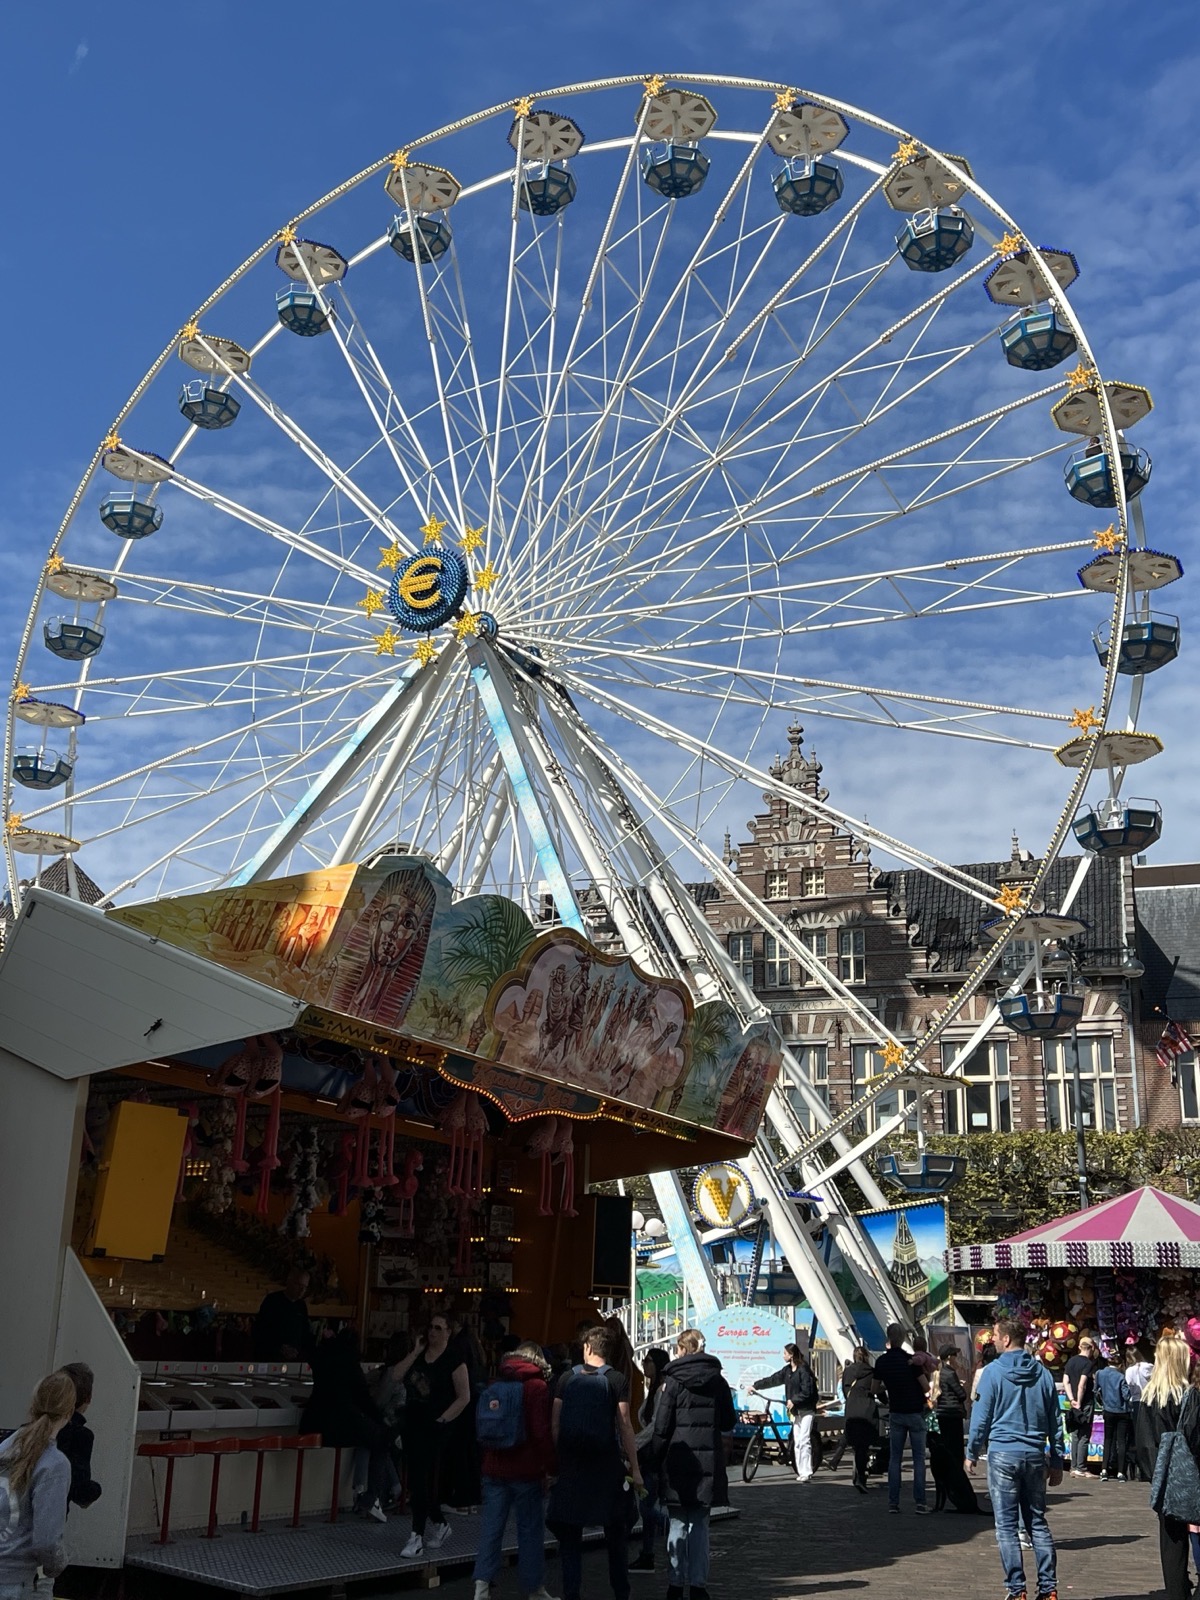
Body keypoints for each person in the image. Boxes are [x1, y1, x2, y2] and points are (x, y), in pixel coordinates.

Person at [966, 1317, 1063, 1600]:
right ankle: (1049, 1588)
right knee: (1037, 1522)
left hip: (1003, 1453)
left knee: (1006, 1527)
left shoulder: (993, 1373)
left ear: (1006, 1339)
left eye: (996, 1335)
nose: (993, 1340)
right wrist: (1057, 1460)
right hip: (1034, 1453)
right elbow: (1055, 1421)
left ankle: (1017, 1589)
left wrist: (971, 1452)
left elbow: (981, 1418)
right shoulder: (1043, 1374)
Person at [547, 1324, 643, 1600]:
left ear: (587, 1348)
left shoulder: (566, 1378)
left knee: (570, 1537)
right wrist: (635, 1468)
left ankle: (571, 1594)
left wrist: (560, 1458)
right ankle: (621, 1592)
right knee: (616, 1534)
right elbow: (624, 1425)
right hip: (606, 1465)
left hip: (573, 1467)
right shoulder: (616, 1380)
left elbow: (555, 1424)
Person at [644, 1329, 736, 1600]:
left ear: (682, 1349)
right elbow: (728, 1421)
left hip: (677, 1459)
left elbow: (662, 1426)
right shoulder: (718, 1380)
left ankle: (675, 1584)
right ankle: (698, 1586)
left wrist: (654, 1458)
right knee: (700, 1526)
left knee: (677, 1523)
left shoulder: (673, 1381)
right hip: (706, 1461)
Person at [472, 1342, 557, 1600]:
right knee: (529, 1531)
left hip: (494, 1467)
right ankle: (534, 1588)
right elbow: (540, 1432)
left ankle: (481, 1586)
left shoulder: (498, 1382)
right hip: (525, 1470)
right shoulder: (537, 1386)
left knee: (491, 1528)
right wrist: (551, 1466)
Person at [395, 1313, 472, 1558]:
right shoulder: (419, 1357)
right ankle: (439, 1522)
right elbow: (396, 1375)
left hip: (436, 1425)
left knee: (422, 1479)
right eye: (431, 1327)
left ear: (448, 1331)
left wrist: (443, 1420)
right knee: (415, 1479)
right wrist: (415, 1352)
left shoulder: (454, 1360)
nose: (433, 1332)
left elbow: (464, 1396)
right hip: (412, 1422)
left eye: (439, 1328)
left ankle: (416, 1535)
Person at [300, 1327, 394, 1522]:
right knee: (381, 1439)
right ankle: (372, 1497)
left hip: (315, 1420)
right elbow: (363, 1398)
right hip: (341, 1424)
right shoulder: (350, 1363)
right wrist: (379, 1419)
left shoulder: (322, 1358)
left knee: (369, 1439)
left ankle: (362, 1490)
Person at [1134, 1333, 1198, 1600]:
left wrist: (1155, 1475)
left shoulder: (1148, 1398)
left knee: (1171, 1543)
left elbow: (1142, 1444)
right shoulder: (1189, 1396)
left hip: (1163, 1477)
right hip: (1190, 1475)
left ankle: (1176, 1592)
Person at [0, 1372, 74, 1594]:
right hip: (21, 1580)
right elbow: (46, 1542)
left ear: (32, 1406)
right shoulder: (54, 1465)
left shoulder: (4, 1448)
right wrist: (57, 1565)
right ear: (69, 1413)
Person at [873, 1323, 929, 1514]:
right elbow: (925, 1387)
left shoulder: (881, 1362)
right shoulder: (910, 1361)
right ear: (903, 1338)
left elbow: (874, 1388)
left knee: (895, 1458)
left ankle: (893, 1503)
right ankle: (920, 1502)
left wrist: (889, 1388)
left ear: (888, 1337)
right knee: (918, 1458)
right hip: (914, 1411)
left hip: (896, 1412)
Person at [753, 1343, 819, 1481]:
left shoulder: (803, 1370)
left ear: (791, 1355)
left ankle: (807, 1471)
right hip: (795, 1411)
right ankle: (801, 1471)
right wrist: (755, 1386)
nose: (783, 1356)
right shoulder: (787, 1371)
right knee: (797, 1441)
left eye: (785, 1353)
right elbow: (773, 1379)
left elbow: (807, 1391)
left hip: (806, 1410)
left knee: (804, 1440)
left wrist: (794, 1400)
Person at [630, 1348, 670, 1572]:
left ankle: (672, 1527)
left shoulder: (662, 1390)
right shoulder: (653, 1390)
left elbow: (656, 1425)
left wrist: (634, 1443)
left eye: (648, 1361)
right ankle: (647, 1554)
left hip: (655, 1455)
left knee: (647, 1506)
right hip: (648, 1453)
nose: (644, 1364)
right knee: (646, 1504)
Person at [56, 1362, 101, 1511]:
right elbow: (79, 1490)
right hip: (53, 1512)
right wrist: (96, 1490)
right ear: (88, 1398)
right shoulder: (81, 1435)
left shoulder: (28, 1429)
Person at [835, 1345, 877, 1493]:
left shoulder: (848, 1371)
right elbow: (876, 1390)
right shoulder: (871, 1372)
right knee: (862, 1446)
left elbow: (845, 1390)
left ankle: (838, 1461)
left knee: (852, 1438)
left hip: (851, 1408)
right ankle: (861, 1478)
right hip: (866, 1409)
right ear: (866, 1357)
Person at [253, 1267, 312, 1361]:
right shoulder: (272, 1300)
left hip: (295, 1357)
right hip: (271, 1355)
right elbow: (262, 1329)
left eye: (305, 1287)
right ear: (289, 1281)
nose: (302, 1290)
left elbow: (304, 1332)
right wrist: (279, 1347)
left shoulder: (301, 1305)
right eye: (298, 1285)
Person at [1062, 1336, 1097, 1478]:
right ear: (1092, 1348)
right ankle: (1081, 1467)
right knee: (1084, 1435)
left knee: (1075, 1434)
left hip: (1072, 1403)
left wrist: (1072, 1399)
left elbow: (1066, 1381)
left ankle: (1074, 1467)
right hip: (1085, 1403)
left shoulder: (1071, 1361)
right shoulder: (1088, 1363)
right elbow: (1082, 1384)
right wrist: (1079, 1402)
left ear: (1079, 1347)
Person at [1095, 1353, 1133, 1482]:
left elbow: (1096, 1391)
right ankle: (1121, 1472)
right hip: (1122, 1411)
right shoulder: (1121, 1377)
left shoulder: (1100, 1374)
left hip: (1108, 1410)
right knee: (1121, 1441)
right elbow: (1126, 1395)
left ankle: (1104, 1470)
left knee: (1107, 1440)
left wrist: (1102, 1402)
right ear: (1120, 1364)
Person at [933, 1346, 969, 1466]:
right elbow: (961, 1395)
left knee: (946, 1443)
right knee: (956, 1447)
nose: (956, 1358)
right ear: (949, 1357)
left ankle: (948, 1468)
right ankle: (956, 1470)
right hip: (953, 1412)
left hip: (942, 1412)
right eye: (955, 1355)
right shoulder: (950, 1373)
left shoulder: (939, 1372)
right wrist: (961, 1387)